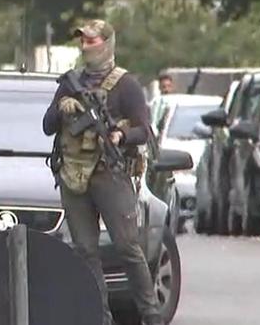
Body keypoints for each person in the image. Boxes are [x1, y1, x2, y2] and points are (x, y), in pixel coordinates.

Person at [42, 19, 164, 325]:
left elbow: (144, 130)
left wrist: (120, 136)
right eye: (82, 41)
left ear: (107, 43)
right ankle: (99, 317)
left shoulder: (126, 85)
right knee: (85, 250)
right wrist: (63, 107)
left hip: (110, 173)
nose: (85, 46)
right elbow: (47, 126)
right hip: (74, 175)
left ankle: (150, 314)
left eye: (92, 41)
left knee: (127, 246)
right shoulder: (70, 82)